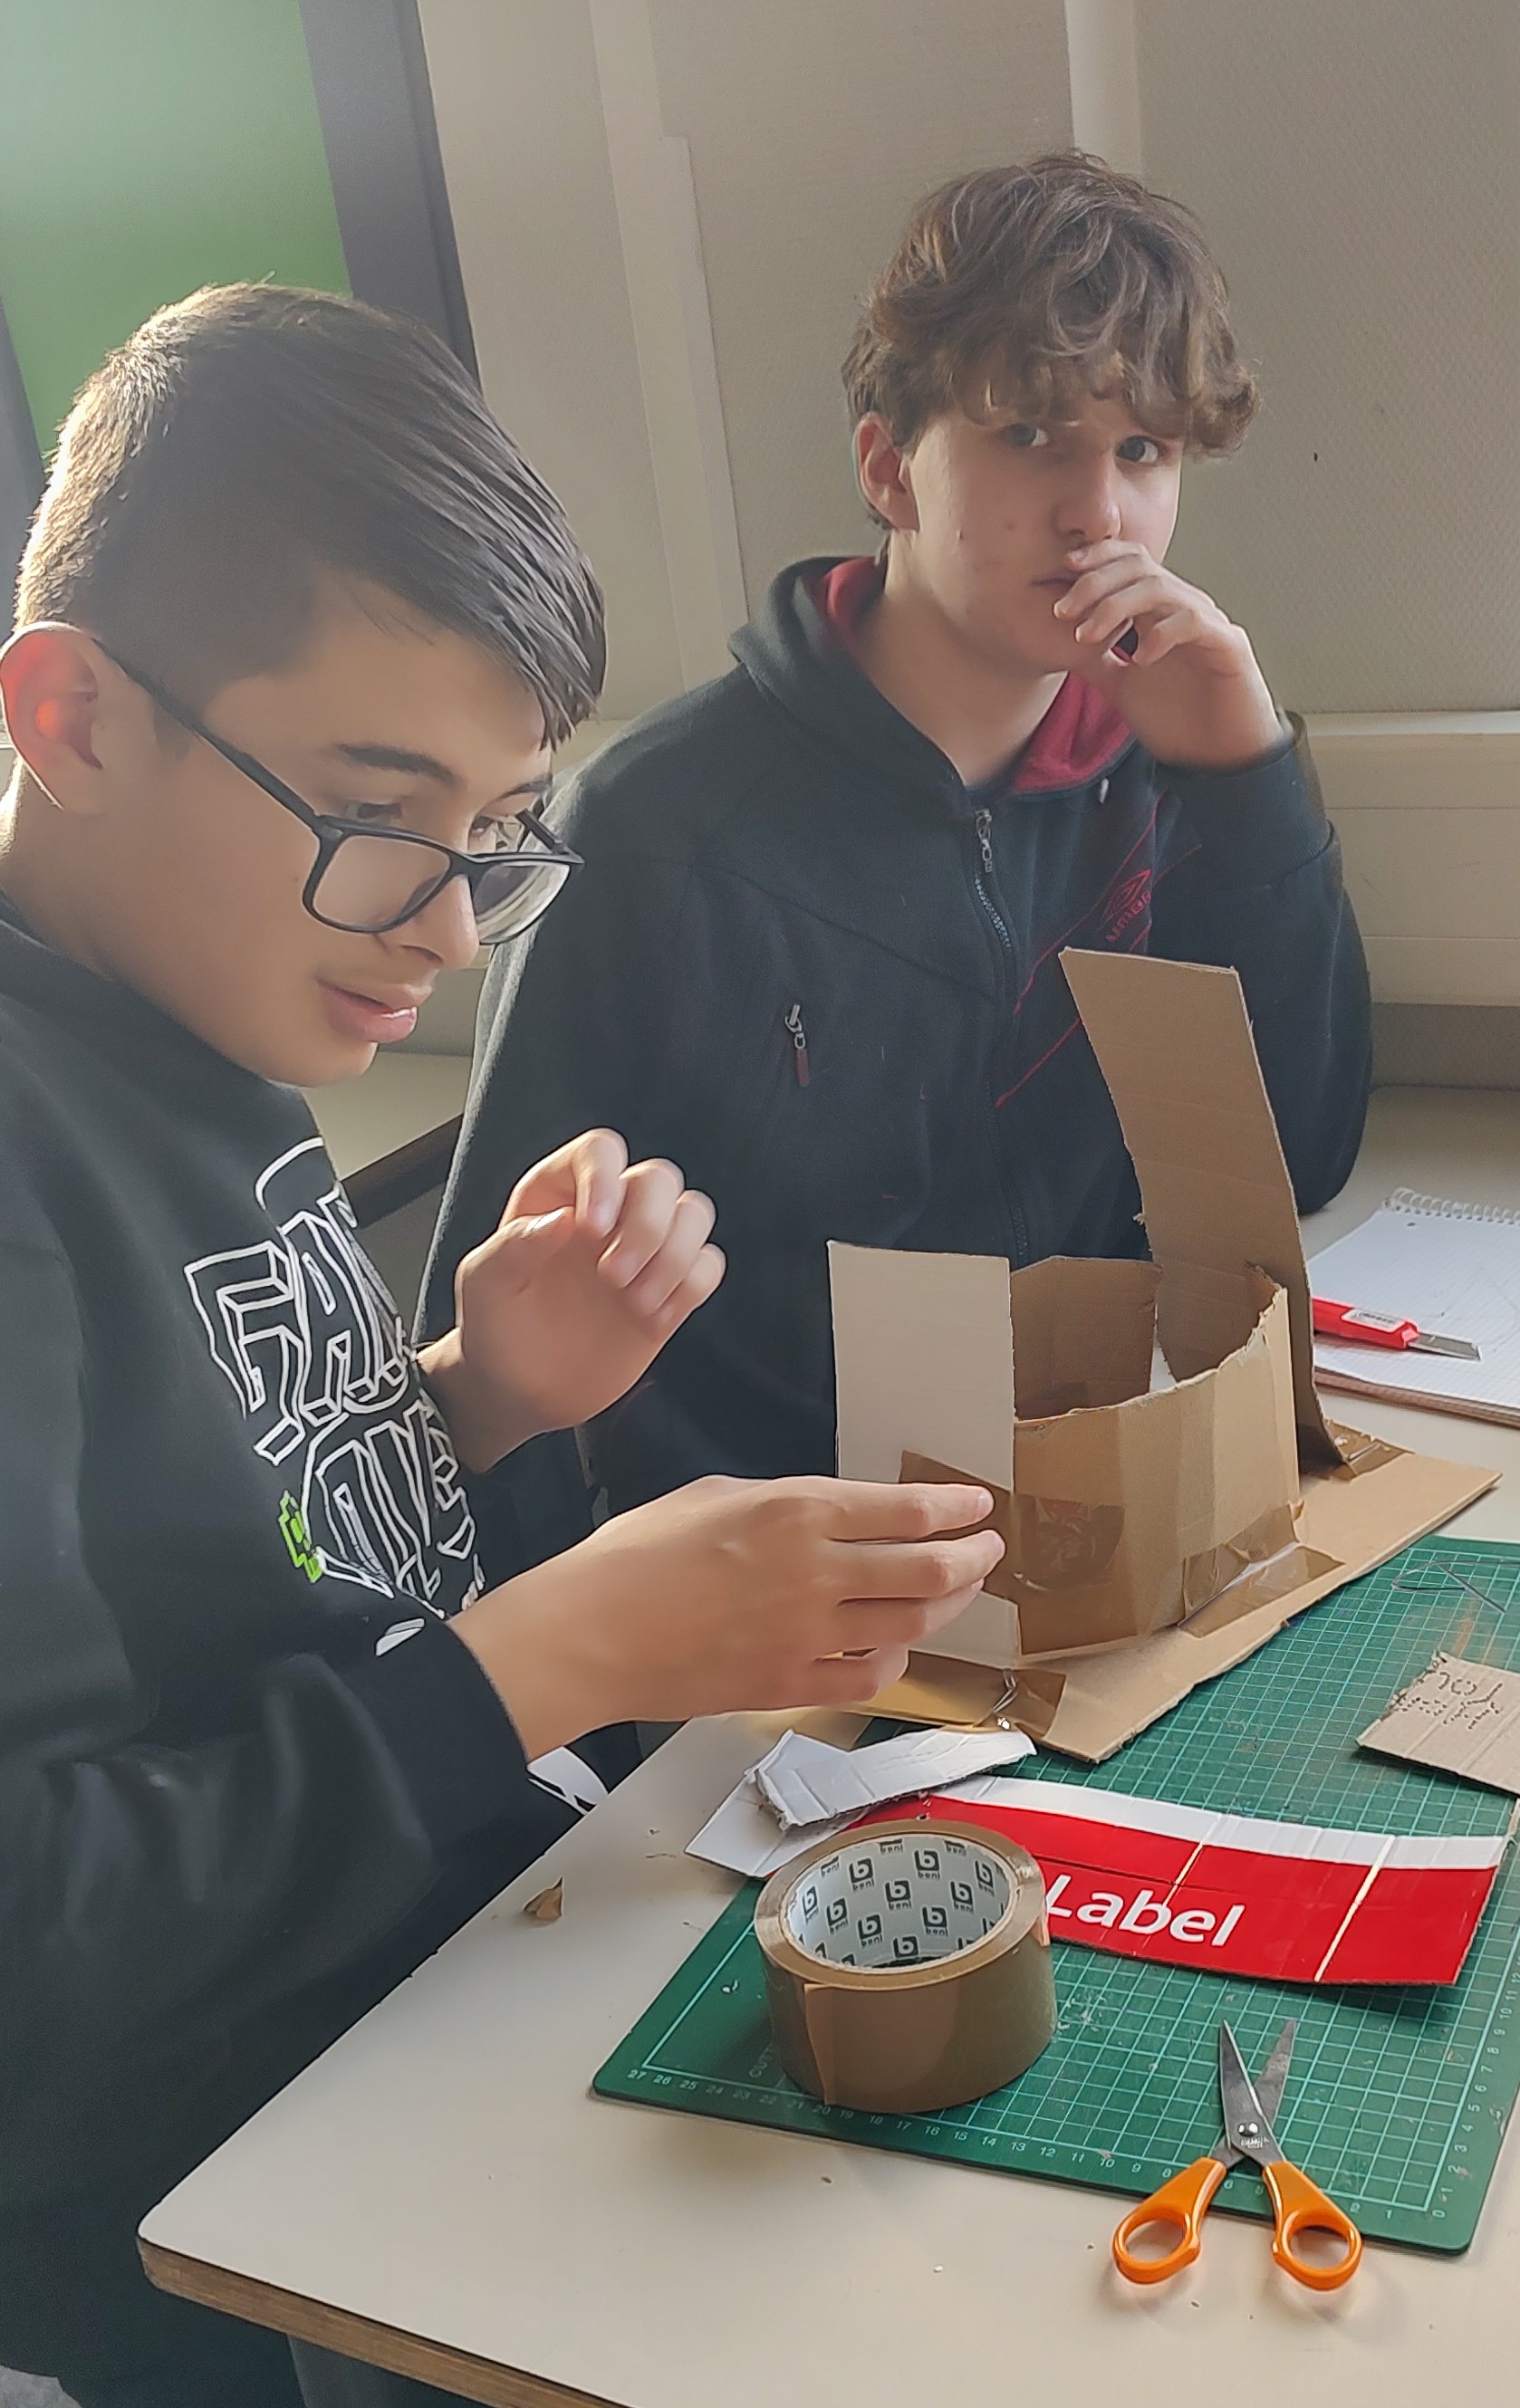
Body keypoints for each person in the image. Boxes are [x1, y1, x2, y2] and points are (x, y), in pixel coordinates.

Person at [0, 284, 1001, 2408]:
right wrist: (560, 1648)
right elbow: (40, 1941)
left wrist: (473, 1399)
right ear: (72, 717)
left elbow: (214, 1555)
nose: (450, 925)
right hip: (251, 2219)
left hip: (457, 1978)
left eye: (495, 830)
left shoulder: (196, 998)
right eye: (379, 812)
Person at [425, 151, 1371, 1570]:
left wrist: (1248, 787)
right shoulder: (657, 828)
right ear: (888, 470)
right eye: (1032, 436)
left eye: (1143, 452)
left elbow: (1299, 1161)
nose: (1099, 514)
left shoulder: (1166, 770)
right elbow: (496, 1335)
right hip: (768, 1568)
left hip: (1085, 1509)